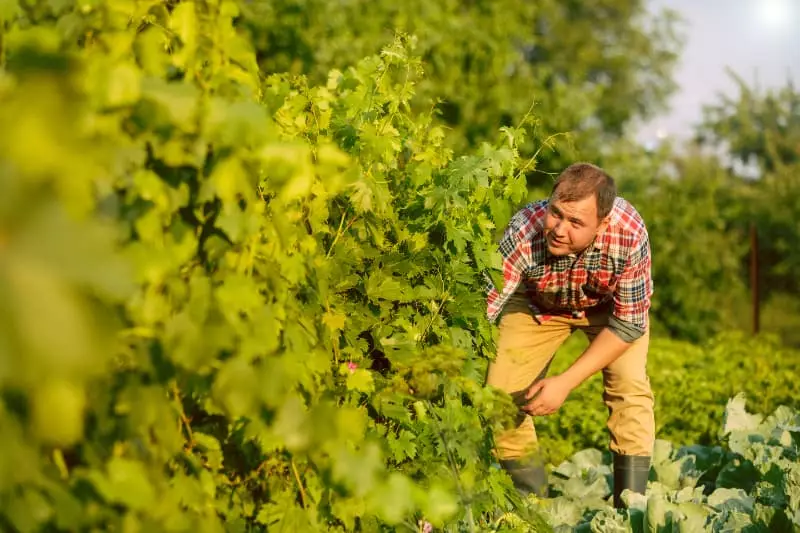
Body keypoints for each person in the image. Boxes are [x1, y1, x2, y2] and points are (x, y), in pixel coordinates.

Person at [485, 162, 654, 508]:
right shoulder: (525, 231)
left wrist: (565, 382)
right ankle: (532, 507)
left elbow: (630, 322)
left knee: (629, 386)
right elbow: (485, 304)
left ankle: (630, 509)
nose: (560, 229)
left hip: (608, 311)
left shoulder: (629, 233)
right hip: (538, 304)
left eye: (576, 222)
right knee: (500, 397)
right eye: (556, 214)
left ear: (603, 223)